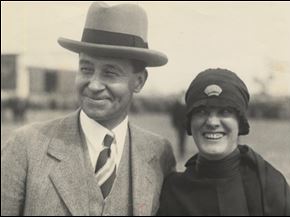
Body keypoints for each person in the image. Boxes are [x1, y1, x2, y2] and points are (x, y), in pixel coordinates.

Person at [1, 2, 176, 216]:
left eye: (110, 73)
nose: (93, 85)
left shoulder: (159, 153)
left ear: (139, 81)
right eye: (86, 69)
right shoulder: (25, 146)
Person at [157, 68, 290, 216]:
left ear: (240, 122)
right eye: (201, 111)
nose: (212, 122)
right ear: (190, 123)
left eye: (225, 112)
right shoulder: (172, 192)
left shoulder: (271, 189)